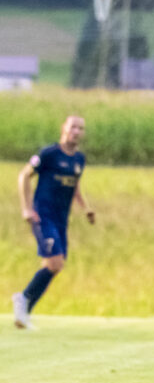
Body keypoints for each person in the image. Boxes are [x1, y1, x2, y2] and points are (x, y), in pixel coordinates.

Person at [11, 115, 95, 330]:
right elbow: (24, 176)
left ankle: (24, 312)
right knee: (55, 262)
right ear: (64, 129)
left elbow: (75, 186)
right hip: (42, 215)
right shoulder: (49, 154)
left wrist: (86, 208)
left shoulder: (79, 160)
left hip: (61, 219)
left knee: (54, 266)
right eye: (73, 127)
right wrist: (27, 209)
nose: (77, 131)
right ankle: (23, 298)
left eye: (81, 128)